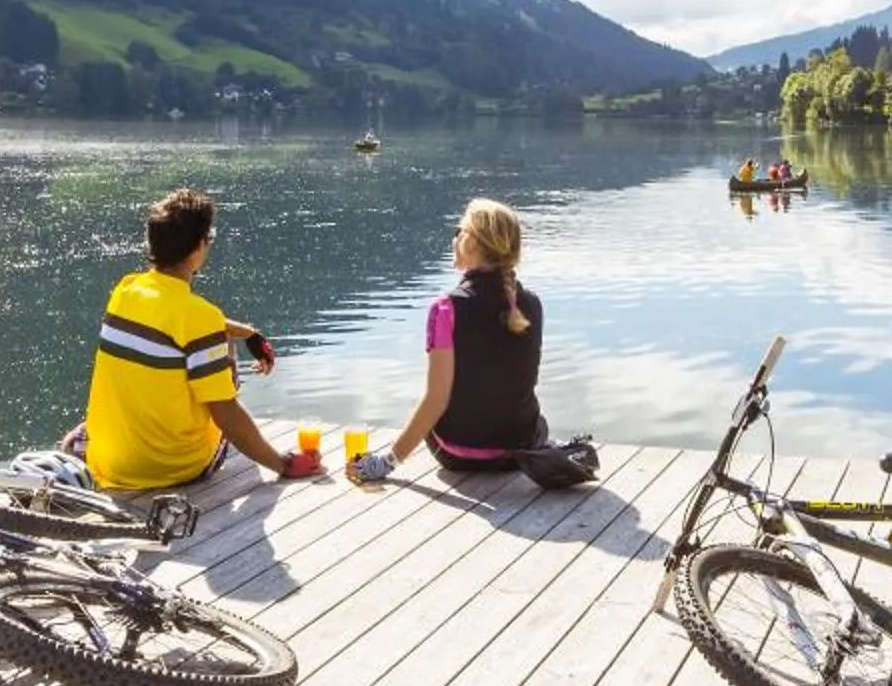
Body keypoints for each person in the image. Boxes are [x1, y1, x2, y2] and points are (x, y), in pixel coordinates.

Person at [64, 186, 308, 490]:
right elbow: (227, 416)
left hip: (111, 464)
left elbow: (181, 323)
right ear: (197, 247)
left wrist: (248, 332)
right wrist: (283, 464)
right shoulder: (199, 316)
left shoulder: (125, 291)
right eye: (209, 238)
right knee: (222, 351)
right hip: (173, 469)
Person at [351, 198, 549, 484]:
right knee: (536, 419)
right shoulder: (532, 304)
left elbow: (436, 401)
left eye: (459, 231)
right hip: (520, 451)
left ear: (472, 242)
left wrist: (385, 463)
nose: (454, 238)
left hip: (460, 454)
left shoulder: (446, 309)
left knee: (429, 399)